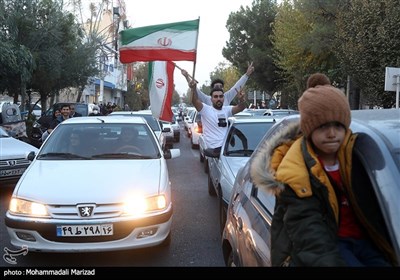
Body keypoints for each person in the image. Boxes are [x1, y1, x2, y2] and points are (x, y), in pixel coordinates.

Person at [250, 73, 397, 267]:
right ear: (309, 130)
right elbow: (310, 235)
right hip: (332, 245)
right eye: (323, 127)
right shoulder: (296, 173)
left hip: (366, 242)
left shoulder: (357, 157)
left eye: (338, 125)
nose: (331, 133)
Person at [189, 80, 247, 154]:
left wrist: (241, 100)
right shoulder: (205, 110)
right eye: (215, 97)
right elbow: (195, 101)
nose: (218, 99)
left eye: (221, 96)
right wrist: (193, 89)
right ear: (211, 99)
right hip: (214, 150)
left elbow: (240, 107)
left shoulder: (227, 110)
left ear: (223, 98)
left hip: (227, 149)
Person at [181, 62, 254, 106]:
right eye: (216, 87)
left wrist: (247, 75)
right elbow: (195, 90)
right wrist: (187, 77)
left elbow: (237, 86)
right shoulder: (206, 100)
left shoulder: (227, 97)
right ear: (212, 89)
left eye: (220, 86)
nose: (219, 88)